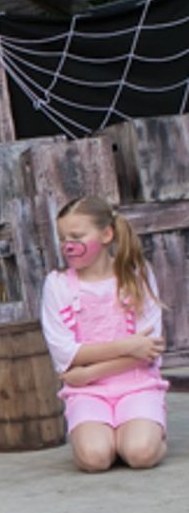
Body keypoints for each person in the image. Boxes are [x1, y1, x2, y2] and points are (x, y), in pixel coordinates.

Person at [40, 195, 168, 472]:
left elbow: (150, 349)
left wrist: (88, 373)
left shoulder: (137, 276)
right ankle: (108, 436)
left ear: (107, 234)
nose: (68, 245)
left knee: (140, 454)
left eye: (76, 236)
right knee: (94, 459)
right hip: (87, 393)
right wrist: (128, 345)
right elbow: (66, 355)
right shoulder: (57, 285)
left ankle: (140, 433)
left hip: (136, 384)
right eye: (62, 238)